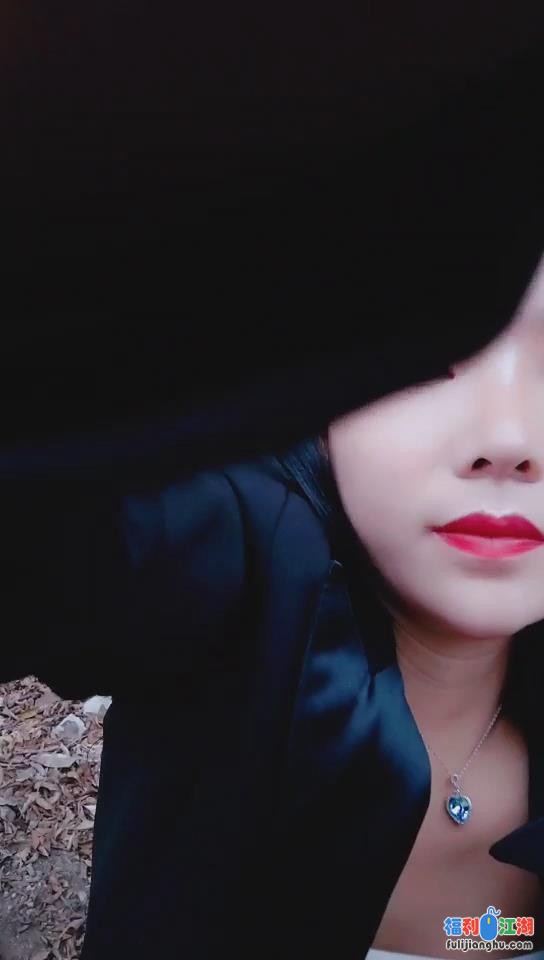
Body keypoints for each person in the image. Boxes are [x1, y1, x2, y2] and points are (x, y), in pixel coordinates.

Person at [2, 253, 544, 960]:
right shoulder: (239, 556)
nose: (507, 440)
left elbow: (483, 940)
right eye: (424, 353)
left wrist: (492, 940)